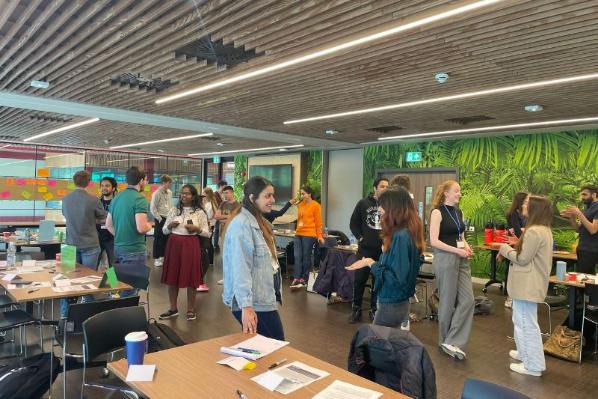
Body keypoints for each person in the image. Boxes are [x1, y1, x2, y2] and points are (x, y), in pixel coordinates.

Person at [346, 187, 424, 328]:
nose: (380, 209)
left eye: (383, 205)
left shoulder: (401, 237)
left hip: (392, 304)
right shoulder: (406, 233)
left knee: (378, 345)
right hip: (398, 302)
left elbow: (396, 279)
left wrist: (371, 263)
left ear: (394, 208)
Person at [222, 176, 284, 340]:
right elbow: (241, 268)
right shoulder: (242, 226)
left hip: (262, 300)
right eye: (267, 196)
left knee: (264, 349)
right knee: (276, 347)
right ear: (252, 198)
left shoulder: (259, 221)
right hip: (254, 304)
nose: (272, 199)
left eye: (272, 195)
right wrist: (247, 307)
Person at [497, 195, 553, 377]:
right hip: (530, 284)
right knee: (521, 321)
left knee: (526, 324)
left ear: (535, 208)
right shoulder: (542, 229)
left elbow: (522, 259)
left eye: (527, 204)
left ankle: (533, 365)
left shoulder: (534, 231)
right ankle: (524, 353)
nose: (524, 205)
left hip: (527, 285)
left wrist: (505, 249)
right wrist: (516, 244)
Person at [429, 180, 474, 360]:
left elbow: (460, 236)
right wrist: (458, 251)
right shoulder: (437, 212)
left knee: (468, 300)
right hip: (446, 258)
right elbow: (434, 241)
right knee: (447, 303)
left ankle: (453, 339)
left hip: (461, 258)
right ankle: (444, 340)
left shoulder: (458, 212)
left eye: (459, 191)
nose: (459, 194)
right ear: (446, 193)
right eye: (456, 191)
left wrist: (467, 247)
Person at [159, 185, 210, 321]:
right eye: (182, 193)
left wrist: (196, 229)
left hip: (191, 244)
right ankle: (173, 308)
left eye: (187, 194)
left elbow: (207, 233)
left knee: (191, 277)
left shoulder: (199, 212)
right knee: (172, 277)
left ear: (193, 196)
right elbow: (164, 230)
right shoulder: (174, 210)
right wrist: (169, 226)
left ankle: (190, 309)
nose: (183, 196)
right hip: (174, 244)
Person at [61, 170, 106, 316]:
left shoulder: (66, 198)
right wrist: (93, 220)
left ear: (74, 182)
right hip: (90, 245)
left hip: (69, 246)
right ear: (89, 183)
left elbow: (66, 215)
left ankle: (65, 316)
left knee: (67, 282)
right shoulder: (93, 199)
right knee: (87, 282)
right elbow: (104, 218)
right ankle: (86, 317)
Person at [105, 166, 153, 296]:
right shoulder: (140, 199)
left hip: (118, 248)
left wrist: (121, 235)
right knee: (130, 291)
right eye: (146, 180)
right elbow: (141, 227)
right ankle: (125, 314)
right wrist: (150, 224)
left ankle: (114, 311)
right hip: (134, 250)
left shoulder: (116, 198)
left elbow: (108, 224)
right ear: (141, 180)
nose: (146, 183)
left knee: (116, 285)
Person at [348, 177, 389, 323]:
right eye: (382, 186)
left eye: (387, 186)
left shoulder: (389, 205)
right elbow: (353, 223)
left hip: (382, 251)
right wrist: (360, 237)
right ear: (375, 188)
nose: (385, 188)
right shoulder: (363, 203)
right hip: (365, 250)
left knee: (378, 281)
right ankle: (356, 309)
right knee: (359, 280)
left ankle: (374, 310)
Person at [291, 186, 325, 289]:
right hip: (299, 233)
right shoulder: (300, 205)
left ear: (309, 194)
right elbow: (300, 219)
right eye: (301, 194)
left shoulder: (316, 205)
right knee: (297, 256)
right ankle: (297, 277)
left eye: (303, 194)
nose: (302, 196)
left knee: (306, 256)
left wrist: (319, 236)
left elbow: (318, 223)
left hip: (309, 235)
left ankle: (304, 278)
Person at [560, 184, 598, 274]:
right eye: (581, 195)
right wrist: (572, 217)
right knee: (581, 278)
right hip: (582, 249)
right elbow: (578, 229)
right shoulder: (587, 209)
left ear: (594, 195)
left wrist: (579, 213)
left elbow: (593, 230)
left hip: (592, 250)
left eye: (585, 195)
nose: (582, 197)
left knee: (585, 279)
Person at [197, 187, 218, 292]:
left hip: (207, 228)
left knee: (207, 246)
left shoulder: (208, 205)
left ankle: (209, 262)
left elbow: (208, 217)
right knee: (207, 246)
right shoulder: (210, 204)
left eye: (203, 194)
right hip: (208, 228)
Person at [150, 174, 173, 267]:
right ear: (163, 183)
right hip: (160, 218)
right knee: (158, 238)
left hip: (168, 218)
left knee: (167, 238)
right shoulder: (156, 193)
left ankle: (164, 257)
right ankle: (157, 258)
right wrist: (159, 219)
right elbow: (153, 208)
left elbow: (170, 205)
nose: (170, 185)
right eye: (169, 183)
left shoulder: (170, 192)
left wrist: (172, 216)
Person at [96, 176, 117, 269]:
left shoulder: (117, 202)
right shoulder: (96, 202)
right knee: (94, 265)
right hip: (97, 237)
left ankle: (113, 283)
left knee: (112, 265)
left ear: (113, 188)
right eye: (102, 185)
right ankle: (96, 283)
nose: (104, 188)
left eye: (107, 185)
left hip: (112, 238)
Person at [212, 180, 227, 251]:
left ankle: (216, 244)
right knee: (217, 229)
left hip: (222, 215)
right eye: (224, 188)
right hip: (217, 215)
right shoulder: (215, 195)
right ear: (220, 187)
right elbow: (216, 206)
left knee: (219, 230)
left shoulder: (222, 195)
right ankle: (215, 245)